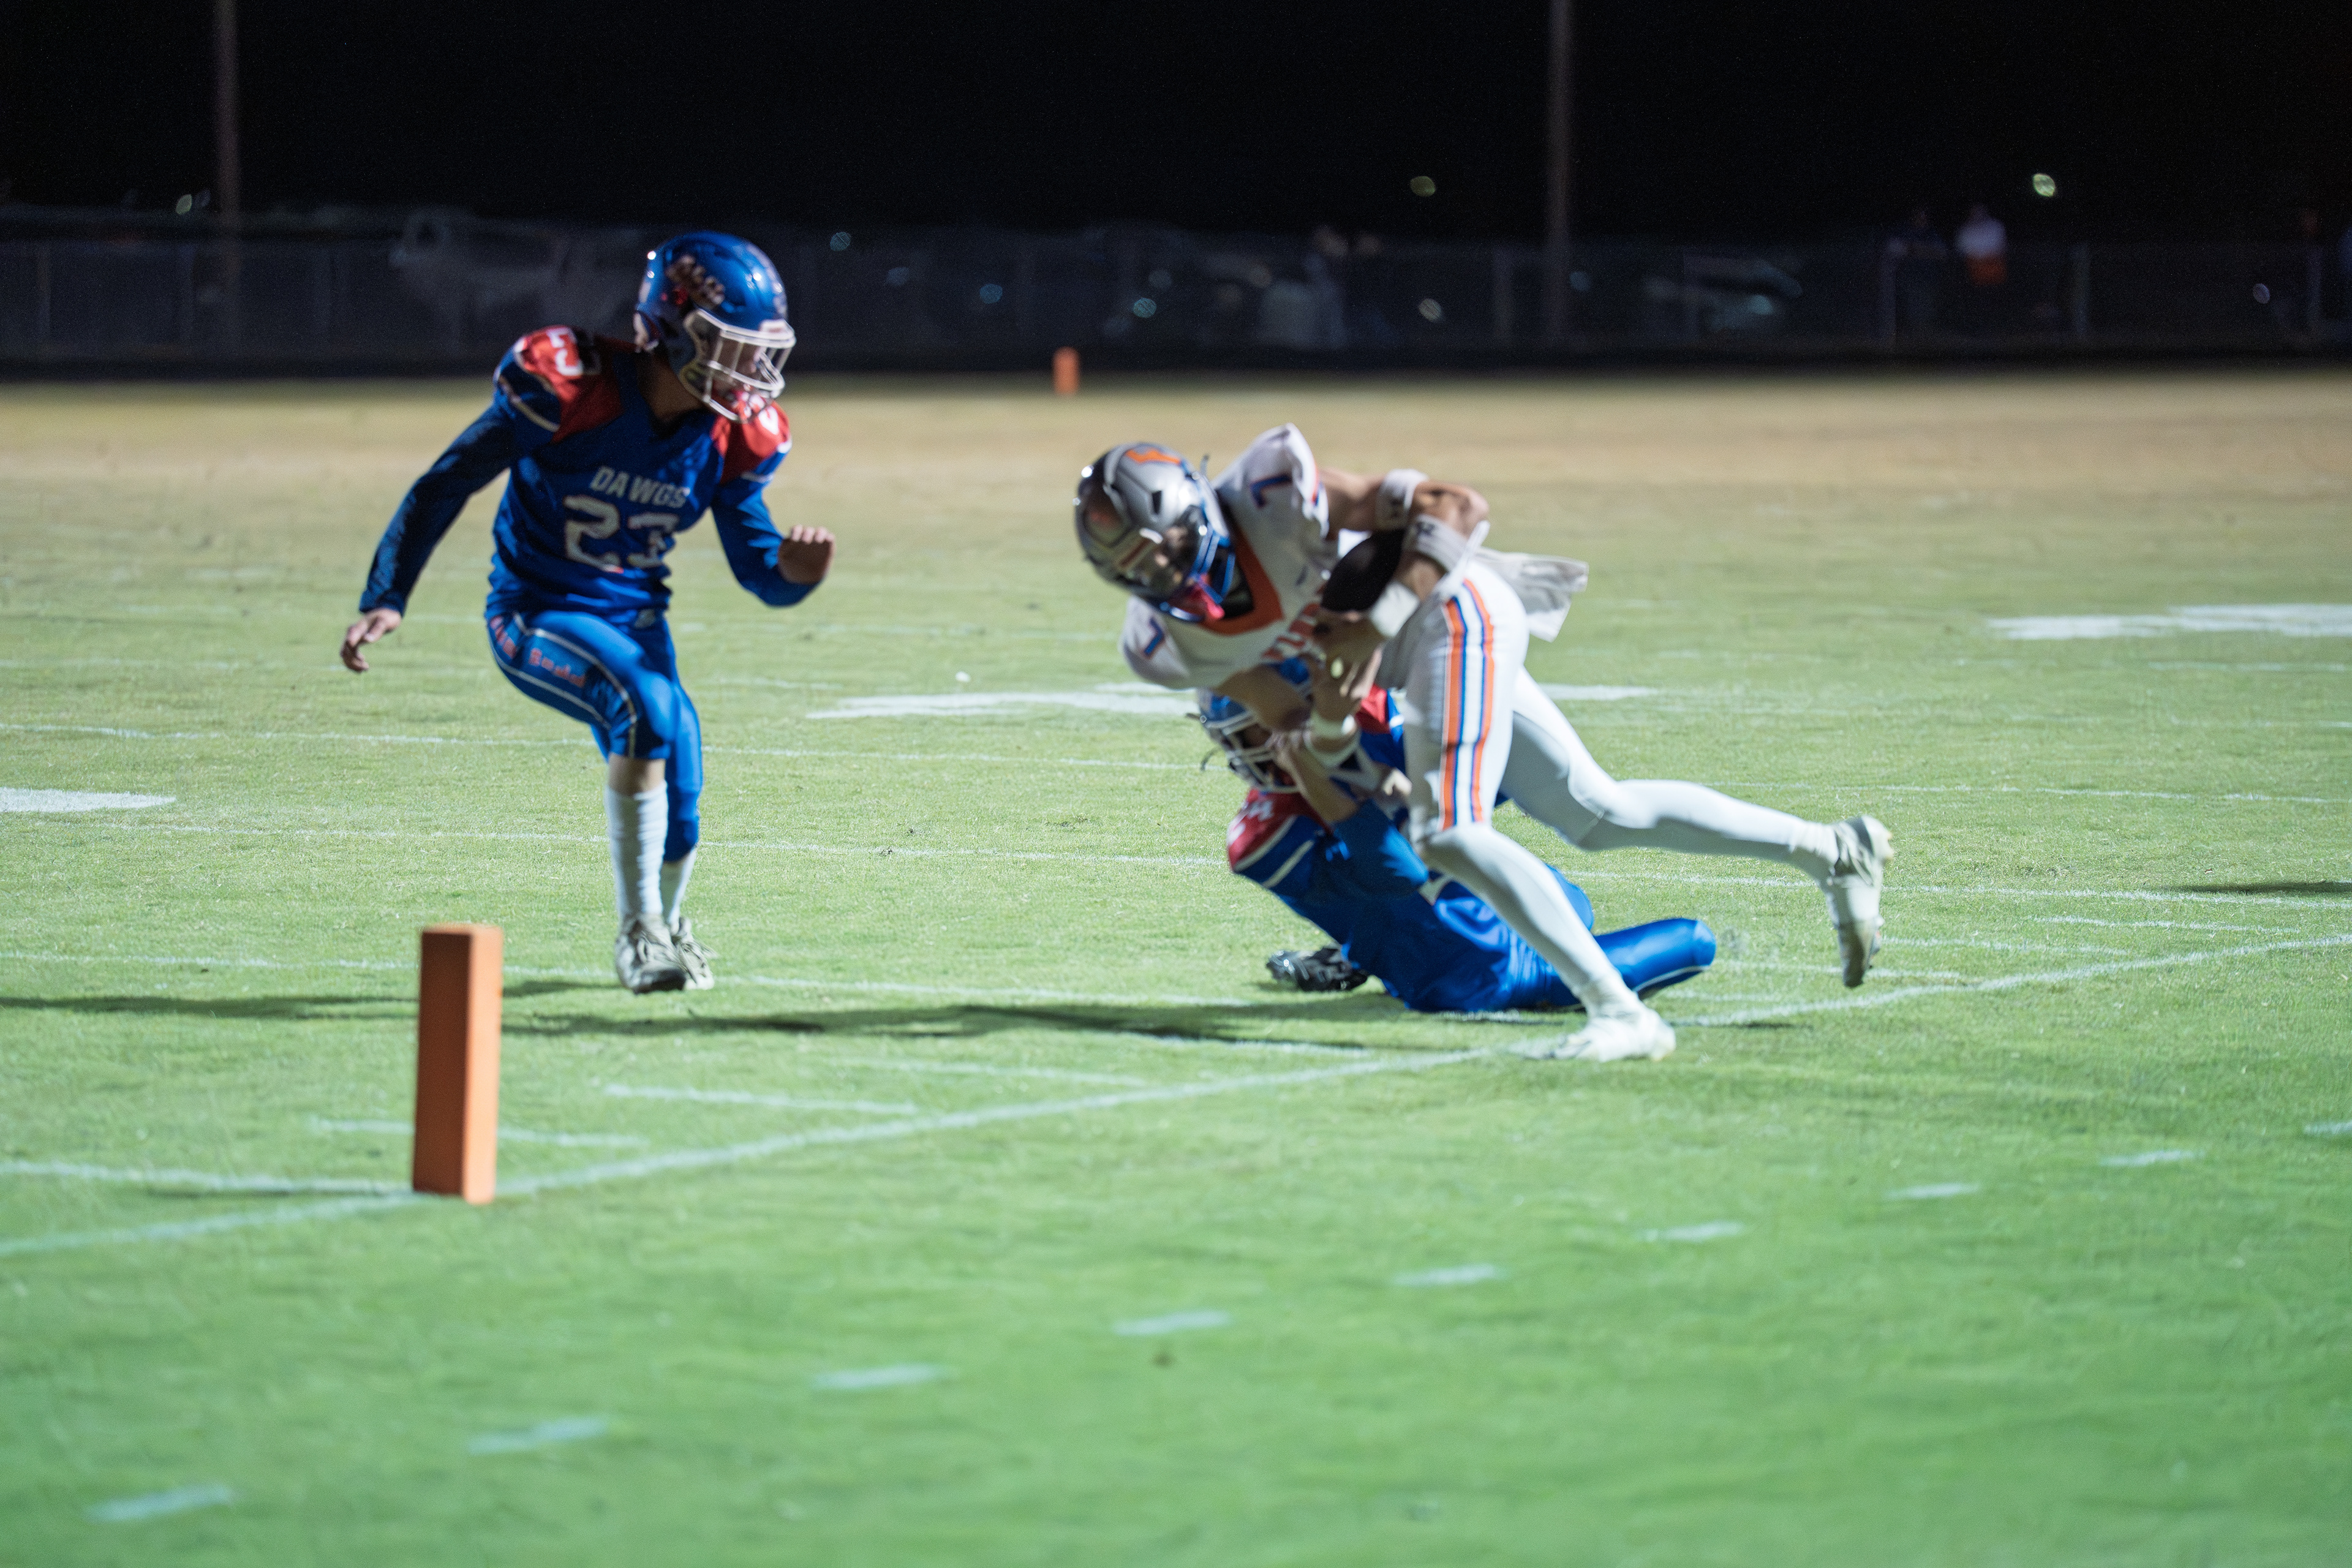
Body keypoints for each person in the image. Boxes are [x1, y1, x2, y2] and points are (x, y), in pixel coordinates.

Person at [1073, 429, 1887, 1063]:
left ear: (1197, 510)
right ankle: (1833, 851)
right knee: (1598, 812)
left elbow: (1456, 506)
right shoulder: (1167, 647)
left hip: (1449, 611)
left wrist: (1377, 623)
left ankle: (1620, 1013)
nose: (1166, 572)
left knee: (1452, 833)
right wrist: (1343, 744)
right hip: (1411, 663)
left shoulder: (1272, 491)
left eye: (1167, 545)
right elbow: (1302, 724)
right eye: (1139, 568)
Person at [340, 232, 835, 993]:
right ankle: (639, 934)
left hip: (637, 625)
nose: (750, 372)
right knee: (646, 708)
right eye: (730, 347)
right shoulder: (573, 388)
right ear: (672, 327)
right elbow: (450, 479)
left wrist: (797, 572)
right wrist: (388, 592)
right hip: (536, 613)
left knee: (683, 782)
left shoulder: (729, 431)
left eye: (758, 352)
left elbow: (760, 573)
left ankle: (668, 927)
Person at [1201, 668, 1716, 1015]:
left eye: (1267, 726)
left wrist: (1410, 780)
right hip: (1476, 975)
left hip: (1514, 906)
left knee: (1574, 903)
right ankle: (1359, 954)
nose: (1272, 742)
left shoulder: (1376, 730)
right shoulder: (1265, 837)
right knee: (1695, 940)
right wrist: (1327, 788)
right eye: (1251, 732)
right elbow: (1397, 872)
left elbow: (1495, 782)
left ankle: (1354, 956)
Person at [1955, 203, 2008, 288]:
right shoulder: (1965, 230)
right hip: (1974, 269)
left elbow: (2000, 246)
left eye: (1980, 211)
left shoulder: (1996, 226)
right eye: (1974, 212)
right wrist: (1978, 256)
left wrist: (1986, 255)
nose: (1978, 214)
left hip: (1994, 267)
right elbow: (1962, 249)